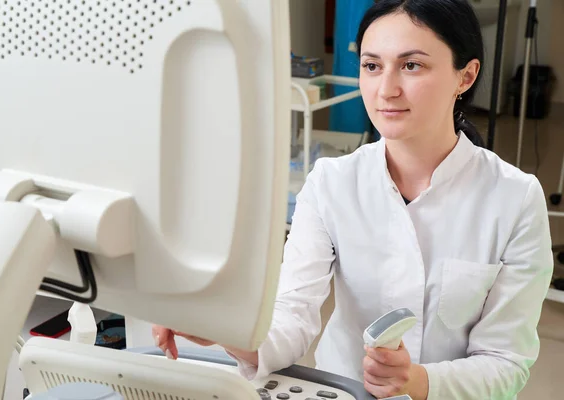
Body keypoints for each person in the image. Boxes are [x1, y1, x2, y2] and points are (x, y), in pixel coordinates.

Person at [153, 0, 554, 398]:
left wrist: (417, 381)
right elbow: (291, 316)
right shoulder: (332, 183)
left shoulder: (514, 199)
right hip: (341, 392)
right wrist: (224, 330)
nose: (386, 89)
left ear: (465, 77)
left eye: (411, 65)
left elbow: (506, 362)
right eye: (372, 66)